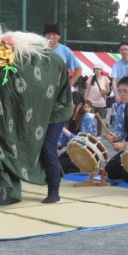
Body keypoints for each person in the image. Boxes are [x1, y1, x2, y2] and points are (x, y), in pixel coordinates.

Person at [0, 29, 73, 206]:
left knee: (47, 147)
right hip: (39, 111)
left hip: (58, 109)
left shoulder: (47, 61)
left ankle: (54, 191)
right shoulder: (6, 67)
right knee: (3, 144)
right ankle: (2, 187)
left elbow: (37, 91)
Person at [41, 23, 83, 203]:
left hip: (60, 105)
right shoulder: (38, 51)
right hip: (41, 104)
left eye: (53, 34)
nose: (50, 37)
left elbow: (79, 69)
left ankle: (54, 190)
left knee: (48, 145)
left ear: (58, 37)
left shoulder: (65, 51)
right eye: (47, 34)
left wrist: (69, 86)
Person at [58, 100, 96, 173]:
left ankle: (86, 169)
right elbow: (64, 139)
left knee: (60, 164)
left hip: (85, 153)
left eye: (71, 104)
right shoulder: (69, 118)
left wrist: (63, 129)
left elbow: (83, 142)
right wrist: (58, 143)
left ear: (79, 105)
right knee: (55, 161)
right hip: (73, 151)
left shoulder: (87, 119)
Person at [84, 64, 110, 138]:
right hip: (91, 101)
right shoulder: (91, 78)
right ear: (94, 70)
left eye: (99, 69)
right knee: (90, 118)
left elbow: (108, 89)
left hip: (100, 102)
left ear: (101, 71)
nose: (97, 70)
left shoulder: (105, 79)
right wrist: (86, 100)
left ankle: (99, 134)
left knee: (100, 119)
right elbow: (87, 90)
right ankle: (90, 132)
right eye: (96, 69)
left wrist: (105, 92)